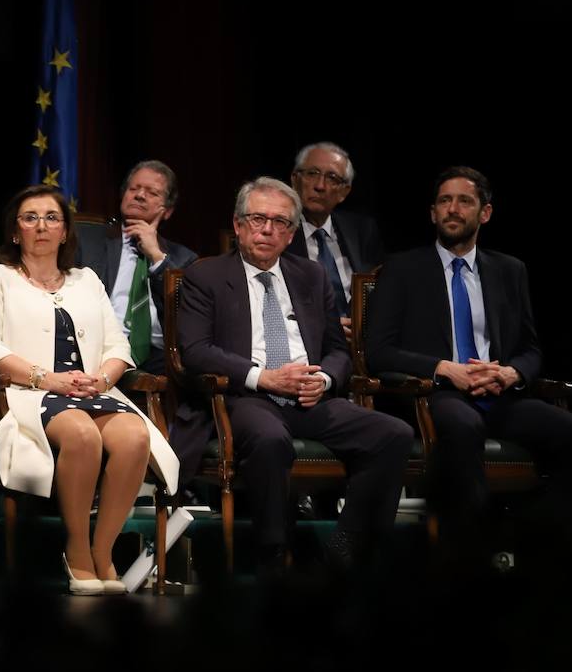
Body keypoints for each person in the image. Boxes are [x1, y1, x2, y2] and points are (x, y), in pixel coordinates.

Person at [175, 177, 410, 573]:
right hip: (245, 397)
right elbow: (195, 352)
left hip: (308, 396)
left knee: (393, 434)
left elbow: (340, 349)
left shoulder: (311, 275)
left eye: (281, 222)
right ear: (237, 225)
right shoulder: (207, 275)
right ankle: (272, 555)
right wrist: (262, 377)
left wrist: (326, 380)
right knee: (269, 438)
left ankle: (348, 545)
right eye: (258, 219)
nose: (268, 229)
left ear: (290, 234)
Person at [0, 184, 178, 594]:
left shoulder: (86, 280)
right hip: (29, 393)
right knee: (80, 433)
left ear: (65, 231)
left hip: (91, 390)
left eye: (52, 218)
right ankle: (77, 549)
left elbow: (117, 345)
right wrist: (47, 379)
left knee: (135, 437)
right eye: (30, 218)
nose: (41, 226)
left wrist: (103, 378)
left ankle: (104, 549)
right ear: (16, 231)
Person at [364, 166, 572, 543]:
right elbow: (379, 352)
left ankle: (553, 547)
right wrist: (443, 369)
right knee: (462, 426)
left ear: (484, 213)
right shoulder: (402, 270)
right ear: (433, 213)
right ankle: (468, 552)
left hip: (499, 394)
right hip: (437, 394)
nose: (453, 209)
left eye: (464, 201)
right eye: (444, 201)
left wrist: (511, 374)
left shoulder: (509, 270)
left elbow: (531, 348)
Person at [74, 160, 197, 374]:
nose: (139, 195)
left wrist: (157, 257)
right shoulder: (87, 240)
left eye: (152, 192)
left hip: (157, 357)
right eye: (134, 189)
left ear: (167, 211)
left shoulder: (183, 258)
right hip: (99, 348)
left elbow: (189, 313)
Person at [285, 142, 385, 336]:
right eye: (312, 173)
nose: (320, 186)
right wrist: (326, 326)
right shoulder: (279, 231)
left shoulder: (362, 230)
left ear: (344, 192)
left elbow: (380, 288)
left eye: (332, 178)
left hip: (361, 340)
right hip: (306, 340)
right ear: (295, 180)